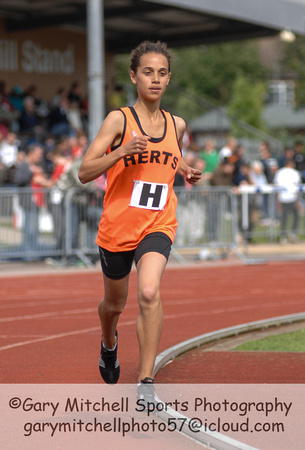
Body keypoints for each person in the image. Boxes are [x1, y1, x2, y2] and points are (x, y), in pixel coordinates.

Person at [78, 40, 201, 386]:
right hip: (118, 227)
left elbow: (166, 158)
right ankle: (108, 341)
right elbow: (85, 171)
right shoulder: (119, 119)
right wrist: (121, 152)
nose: (155, 79)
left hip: (158, 222)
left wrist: (184, 170)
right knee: (114, 305)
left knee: (149, 292)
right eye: (148, 72)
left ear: (169, 78)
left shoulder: (176, 125)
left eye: (162, 73)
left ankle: (146, 379)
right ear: (133, 76)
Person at [274, 158, 301, 244]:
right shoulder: (294, 173)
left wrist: (277, 200)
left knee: (286, 217)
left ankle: (285, 236)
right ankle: (289, 235)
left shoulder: (280, 172)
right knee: (291, 217)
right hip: (289, 197)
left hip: (285, 197)